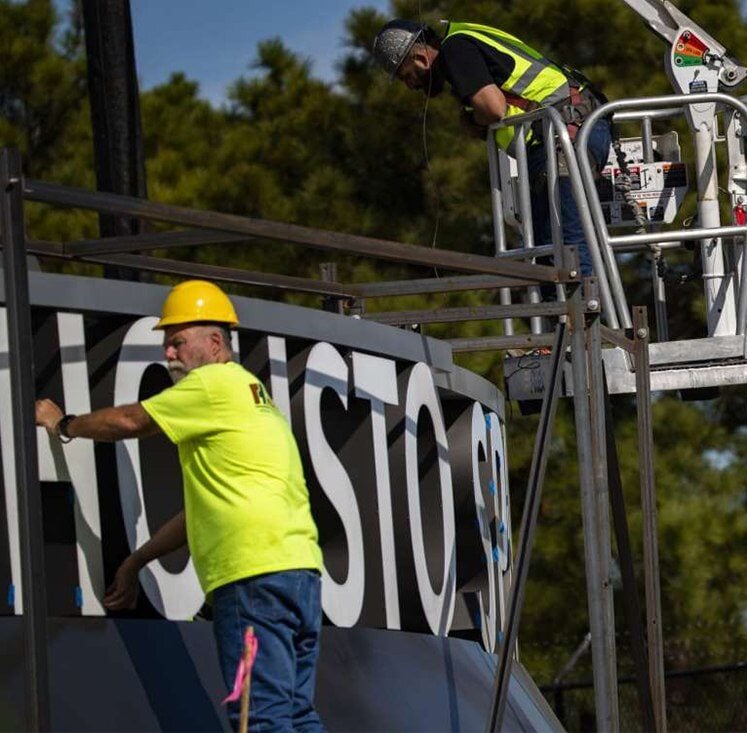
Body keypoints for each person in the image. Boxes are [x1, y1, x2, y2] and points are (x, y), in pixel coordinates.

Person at [35, 280, 325, 732]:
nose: (168, 354)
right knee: (296, 716)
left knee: (260, 720)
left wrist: (64, 423)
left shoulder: (211, 384)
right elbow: (200, 515)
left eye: (177, 342)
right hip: (297, 575)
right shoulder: (251, 396)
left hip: (251, 579)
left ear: (214, 343)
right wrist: (136, 562)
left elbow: (132, 420)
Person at [371, 18, 612, 279]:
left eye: (406, 76)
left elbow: (493, 108)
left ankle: (586, 314)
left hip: (566, 135)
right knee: (549, 253)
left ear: (421, 59)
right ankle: (569, 316)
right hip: (566, 134)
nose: (411, 86)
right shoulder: (465, 43)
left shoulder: (455, 49)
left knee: (568, 245)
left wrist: (475, 118)